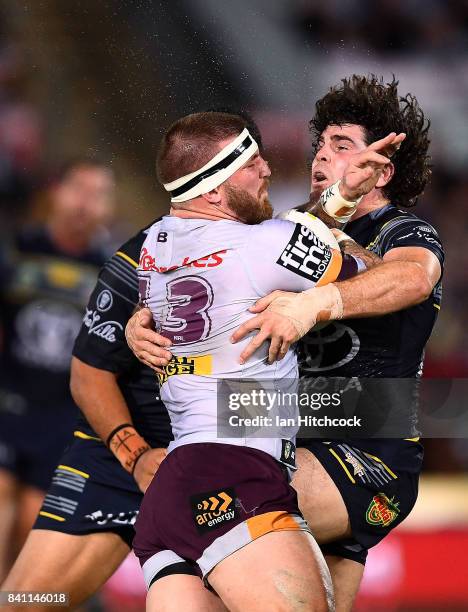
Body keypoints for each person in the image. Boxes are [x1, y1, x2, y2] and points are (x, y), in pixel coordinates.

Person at [126, 75, 443, 611]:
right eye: (320, 144)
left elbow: (413, 278)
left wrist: (316, 304)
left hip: (364, 451)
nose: (320, 156)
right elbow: (216, 265)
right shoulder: (279, 231)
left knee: (211, 486)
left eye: (341, 146)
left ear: (382, 169)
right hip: (292, 428)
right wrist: (146, 317)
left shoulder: (404, 232)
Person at [0, 158, 115, 582]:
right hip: (9, 404)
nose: (85, 204)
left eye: (97, 194)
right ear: (56, 193)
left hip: (66, 419)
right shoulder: (17, 251)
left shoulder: (112, 271)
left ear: (108, 207)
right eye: (77, 190)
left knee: (32, 528)